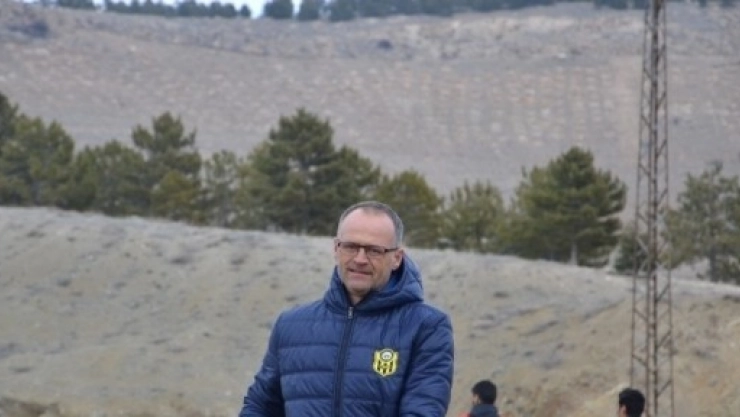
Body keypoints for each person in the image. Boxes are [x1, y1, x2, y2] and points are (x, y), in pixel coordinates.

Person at [238, 201, 455, 417]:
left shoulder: (426, 327)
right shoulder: (290, 325)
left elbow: (423, 411)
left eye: (374, 250)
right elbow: (259, 406)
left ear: (396, 258)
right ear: (336, 248)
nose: (360, 259)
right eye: (351, 247)